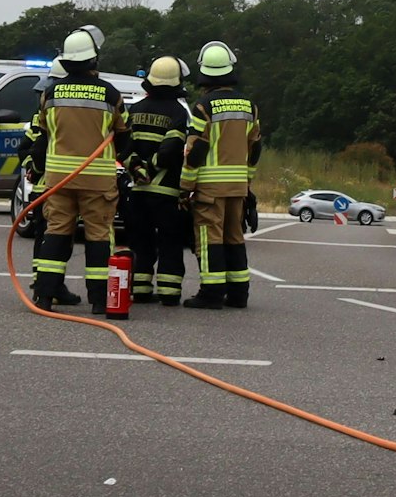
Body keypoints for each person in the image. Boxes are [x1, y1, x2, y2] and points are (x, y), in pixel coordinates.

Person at [24, 28, 127, 313]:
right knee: (98, 236)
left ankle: (45, 296)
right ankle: (98, 300)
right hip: (97, 179)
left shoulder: (50, 93)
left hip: (59, 179)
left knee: (56, 234)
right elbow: (122, 134)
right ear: (94, 60)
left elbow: (43, 133)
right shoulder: (110, 93)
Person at [182, 41, 258, 310]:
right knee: (234, 238)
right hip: (237, 186)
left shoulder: (203, 106)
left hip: (210, 189)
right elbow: (255, 146)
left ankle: (211, 293)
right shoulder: (249, 105)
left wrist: (186, 185)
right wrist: (247, 181)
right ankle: (239, 294)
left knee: (210, 239)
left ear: (204, 72)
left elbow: (196, 149)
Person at [124, 56, 191, 306]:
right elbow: (171, 149)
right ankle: (169, 292)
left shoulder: (136, 109)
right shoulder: (177, 112)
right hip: (165, 192)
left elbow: (124, 146)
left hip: (137, 190)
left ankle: (140, 290)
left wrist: (136, 168)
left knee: (140, 241)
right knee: (170, 242)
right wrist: (151, 168)